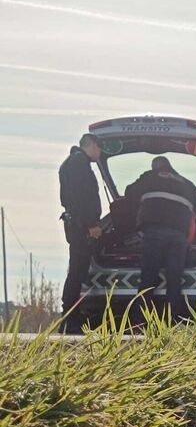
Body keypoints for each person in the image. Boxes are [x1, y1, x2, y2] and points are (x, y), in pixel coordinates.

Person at [126, 156, 196, 321]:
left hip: (154, 233)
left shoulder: (149, 177)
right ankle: (173, 320)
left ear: (155, 167)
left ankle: (139, 320)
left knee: (148, 277)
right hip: (179, 237)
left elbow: (129, 193)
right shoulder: (187, 183)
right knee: (174, 279)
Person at [58, 133, 103, 333]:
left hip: (76, 224)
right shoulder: (79, 163)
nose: (100, 153)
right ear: (91, 145)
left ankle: (70, 316)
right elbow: (82, 197)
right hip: (80, 225)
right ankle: (70, 318)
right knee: (77, 271)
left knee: (77, 270)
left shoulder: (75, 162)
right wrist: (91, 224)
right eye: (99, 148)